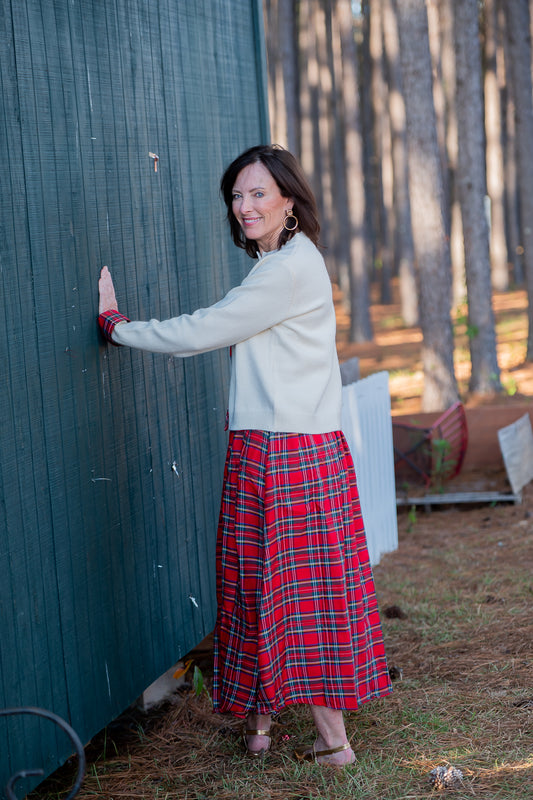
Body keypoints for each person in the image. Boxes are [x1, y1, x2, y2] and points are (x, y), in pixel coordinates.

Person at [98, 144, 392, 767]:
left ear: (289, 200)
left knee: (302, 590)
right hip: (275, 448)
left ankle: (334, 743)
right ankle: (259, 727)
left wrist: (118, 326)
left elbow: (205, 329)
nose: (245, 205)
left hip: (288, 457)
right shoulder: (281, 263)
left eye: (259, 193)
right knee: (258, 583)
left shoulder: (285, 269)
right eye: (237, 195)